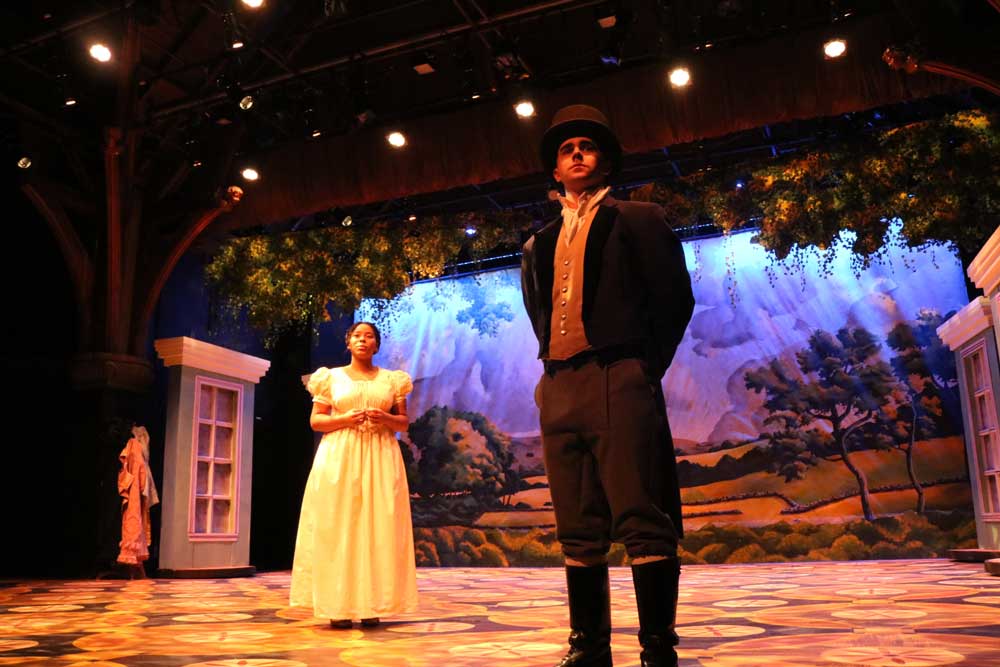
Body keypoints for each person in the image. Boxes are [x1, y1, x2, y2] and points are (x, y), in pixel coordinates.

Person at [520, 105, 695, 667]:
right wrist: (550, 380)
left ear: (605, 161)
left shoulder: (640, 219)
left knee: (641, 515)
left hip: (618, 375)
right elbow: (537, 312)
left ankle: (656, 649)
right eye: (566, 148)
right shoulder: (538, 243)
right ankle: (589, 648)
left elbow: (674, 300)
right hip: (559, 383)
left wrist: (643, 368)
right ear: (554, 169)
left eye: (587, 146)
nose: (576, 154)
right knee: (577, 522)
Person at [290, 321, 418, 628]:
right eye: (357, 336)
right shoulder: (329, 378)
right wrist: (345, 418)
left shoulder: (393, 381)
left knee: (377, 526)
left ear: (377, 345)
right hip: (340, 456)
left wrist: (385, 417)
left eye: (369, 336)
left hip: (380, 455)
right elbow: (316, 421)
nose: (363, 340)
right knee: (339, 525)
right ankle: (338, 604)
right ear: (348, 342)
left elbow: (403, 423)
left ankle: (371, 603)